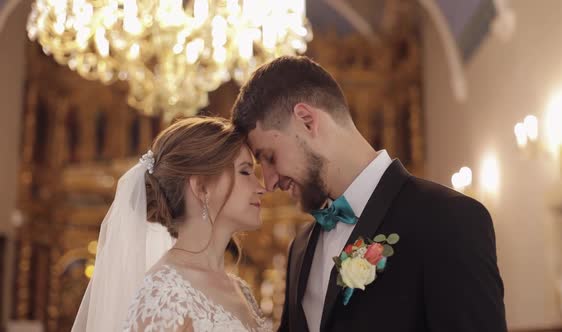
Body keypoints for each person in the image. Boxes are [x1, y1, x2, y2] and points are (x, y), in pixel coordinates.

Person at [231, 56, 508, 332]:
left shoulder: (448, 220)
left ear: (306, 121)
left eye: (268, 157)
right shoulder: (300, 248)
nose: (268, 182)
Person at [72, 117, 271, 332]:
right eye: (245, 171)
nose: (261, 188)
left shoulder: (241, 289)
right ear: (201, 188)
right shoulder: (165, 293)